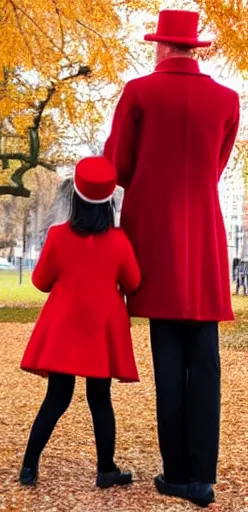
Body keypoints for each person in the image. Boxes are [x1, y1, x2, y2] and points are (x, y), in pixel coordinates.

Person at [103, 9, 240, 508]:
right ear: (195, 48)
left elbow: (118, 166)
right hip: (203, 232)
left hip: (155, 233)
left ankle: (176, 472)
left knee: (169, 359)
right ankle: (202, 475)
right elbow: (217, 165)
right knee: (205, 359)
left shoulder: (139, 92)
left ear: (162, 46)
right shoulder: (227, 100)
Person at [19, 156, 141, 488]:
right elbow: (133, 281)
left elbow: (41, 281)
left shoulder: (58, 236)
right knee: (100, 399)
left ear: (75, 197)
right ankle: (106, 469)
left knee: (56, 398)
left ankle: (29, 468)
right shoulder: (118, 241)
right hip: (101, 331)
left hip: (63, 329)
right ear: (108, 204)